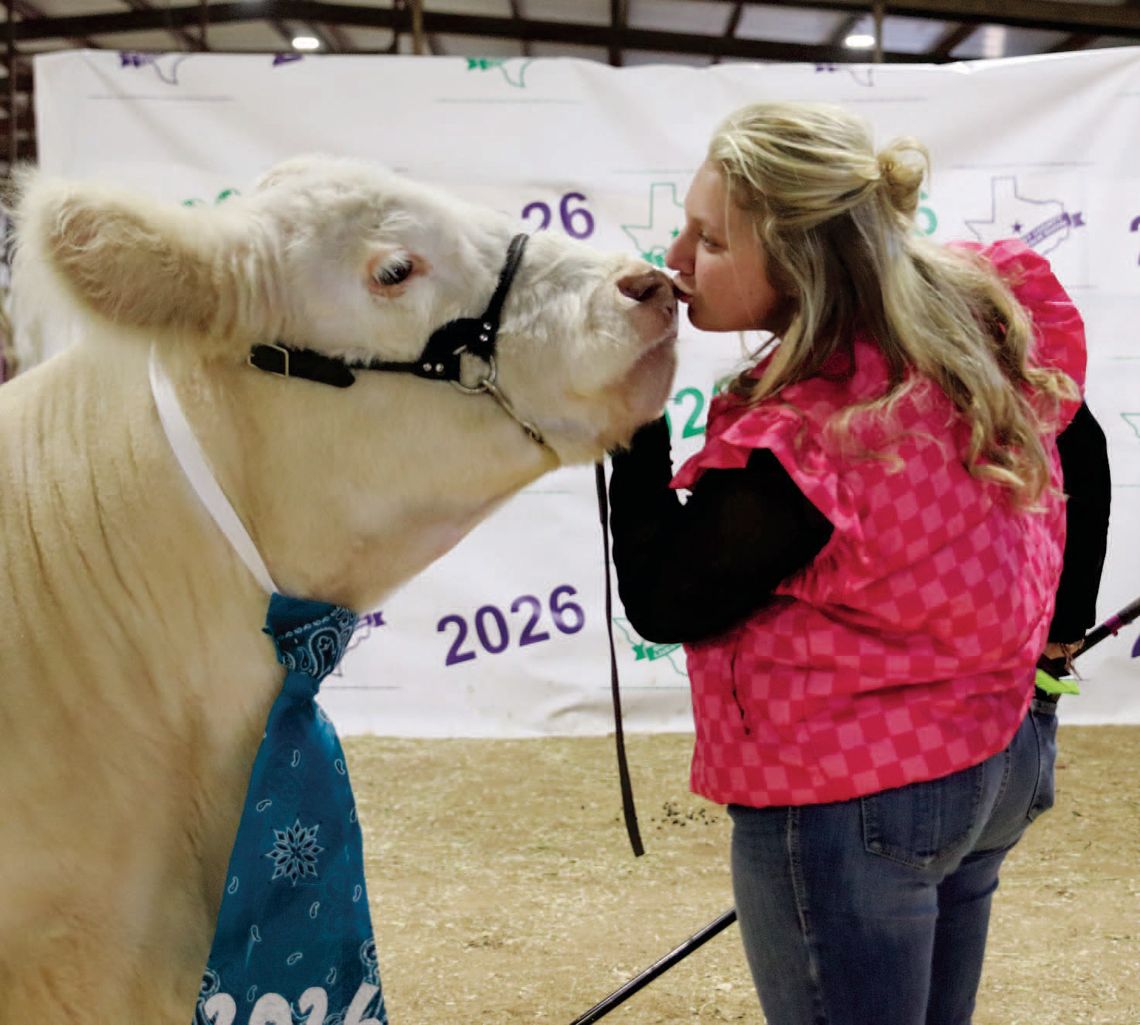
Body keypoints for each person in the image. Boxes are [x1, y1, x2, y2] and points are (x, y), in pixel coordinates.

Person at [607, 102, 1111, 1025]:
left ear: (801, 257)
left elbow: (665, 595)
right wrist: (1059, 638)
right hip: (994, 758)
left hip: (854, 799)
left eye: (710, 241)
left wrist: (631, 408)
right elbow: (1081, 438)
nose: (676, 260)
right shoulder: (973, 311)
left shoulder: (812, 432)